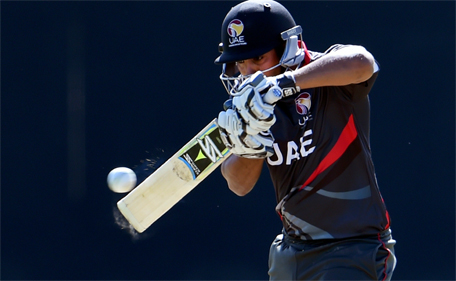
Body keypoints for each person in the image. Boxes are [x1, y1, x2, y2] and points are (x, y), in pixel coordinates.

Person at [214, 0, 397, 280]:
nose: (249, 72)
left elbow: (363, 62)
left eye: (258, 58)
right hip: (291, 252)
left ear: (287, 46)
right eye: (240, 62)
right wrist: (248, 146)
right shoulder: (250, 107)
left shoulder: (327, 72)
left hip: (353, 247)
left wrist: (282, 84)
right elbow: (239, 185)